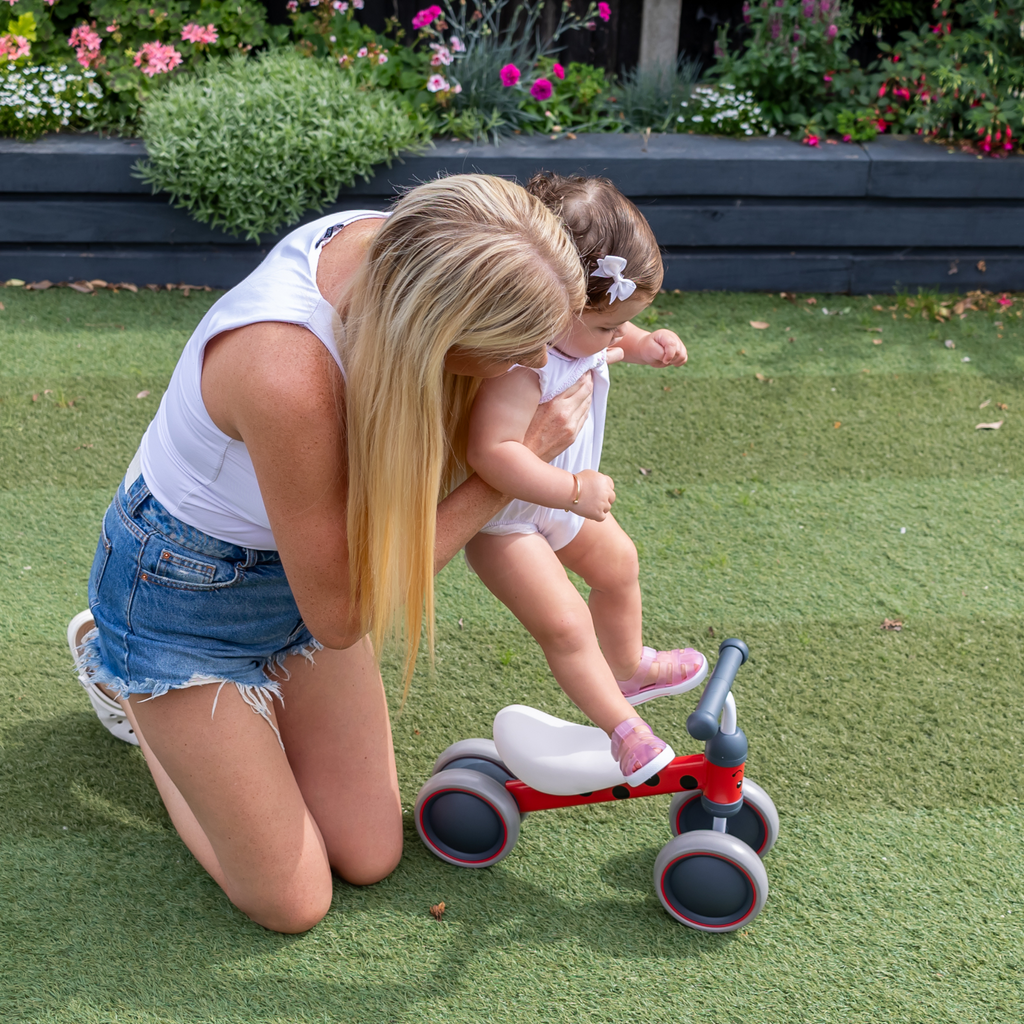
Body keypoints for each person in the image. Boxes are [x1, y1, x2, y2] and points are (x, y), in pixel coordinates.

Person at [67, 174, 593, 934]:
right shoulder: (286, 372)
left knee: (370, 854)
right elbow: (343, 616)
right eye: (519, 345)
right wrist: (510, 467)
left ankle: (221, 733)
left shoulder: (416, 245)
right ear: (439, 333)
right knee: (294, 902)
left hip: (303, 575)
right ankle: (127, 674)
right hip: (182, 593)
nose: (540, 361)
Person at [465, 173, 707, 785]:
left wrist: (648, 342)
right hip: (505, 525)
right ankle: (622, 730)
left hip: (562, 508)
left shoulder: (587, 330)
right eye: (607, 326)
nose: (613, 337)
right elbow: (491, 455)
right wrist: (572, 491)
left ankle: (628, 666)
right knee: (568, 623)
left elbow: (615, 333)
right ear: (556, 300)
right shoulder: (523, 363)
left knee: (619, 563)